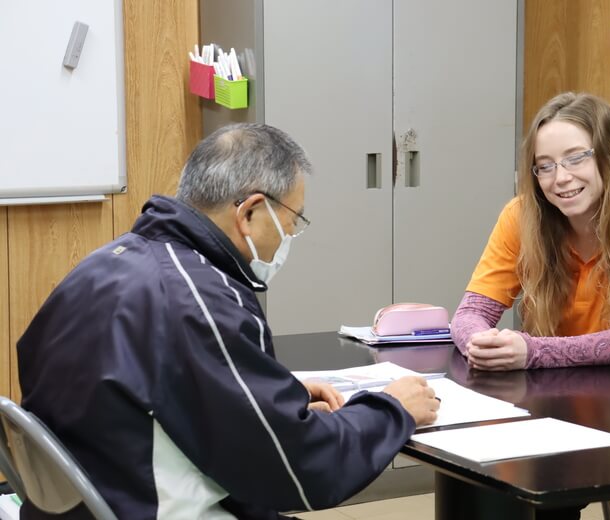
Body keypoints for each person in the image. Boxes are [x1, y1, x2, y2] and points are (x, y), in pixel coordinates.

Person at [17, 123, 439, 519]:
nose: (290, 238)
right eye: (293, 223)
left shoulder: (105, 264)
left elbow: (148, 384)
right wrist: (392, 408)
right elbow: (300, 467)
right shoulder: (201, 299)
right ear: (251, 212)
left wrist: (270, 394)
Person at [451, 92, 610, 374]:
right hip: (552, 396)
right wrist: (481, 344)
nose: (561, 178)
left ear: (608, 156)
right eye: (546, 166)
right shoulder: (521, 215)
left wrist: (533, 352)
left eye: (576, 158)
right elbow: (471, 313)